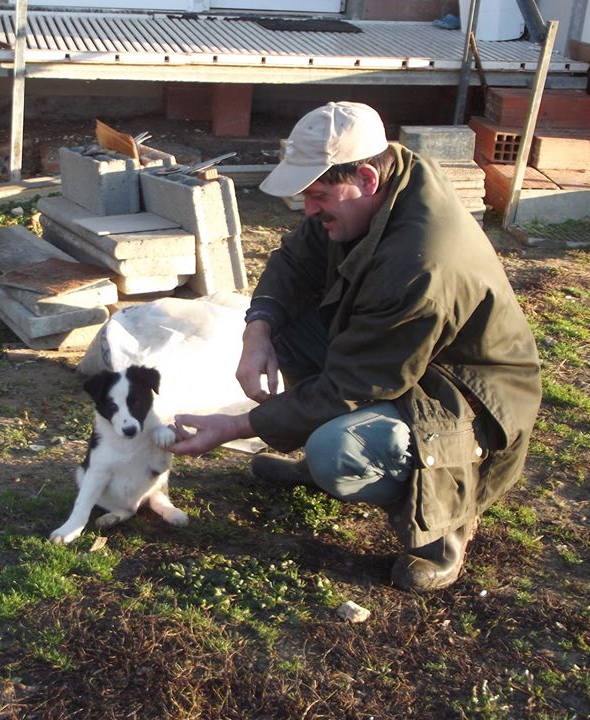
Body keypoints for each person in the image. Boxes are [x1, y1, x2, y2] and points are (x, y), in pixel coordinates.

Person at [169, 101, 542, 592]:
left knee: (337, 451)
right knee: (284, 323)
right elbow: (294, 260)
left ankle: (446, 521)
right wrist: (257, 328)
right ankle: (327, 452)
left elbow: (355, 381)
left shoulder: (420, 264)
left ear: (366, 178)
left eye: (319, 195)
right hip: (398, 356)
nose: (310, 209)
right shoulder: (384, 185)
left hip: (466, 395)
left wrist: (236, 426)